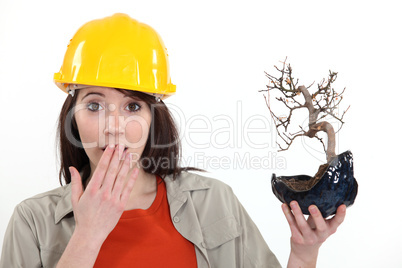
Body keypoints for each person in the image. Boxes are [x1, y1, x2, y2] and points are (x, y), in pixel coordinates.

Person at [0, 13, 346, 268]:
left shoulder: (215, 202)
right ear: (71, 117)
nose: (115, 126)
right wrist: (89, 233)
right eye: (94, 105)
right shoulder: (32, 222)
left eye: (133, 105)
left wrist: (304, 254)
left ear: (154, 118)